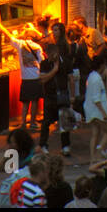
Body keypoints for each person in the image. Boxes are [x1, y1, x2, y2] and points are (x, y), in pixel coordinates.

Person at [38, 22, 73, 157]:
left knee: (64, 120)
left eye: (56, 30)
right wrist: (54, 70)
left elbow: (70, 78)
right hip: (50, 95)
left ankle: (65, 146)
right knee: (47, 121)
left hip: (62, 94)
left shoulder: (65, 61)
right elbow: (42, 79)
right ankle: (43, 145)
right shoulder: (45, 64)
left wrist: (72, 95)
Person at [7, 28, 45, 131]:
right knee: (35, 101)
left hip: (25, 78)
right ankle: (32, 122)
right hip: (36, 76)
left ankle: (23, 123)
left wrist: (1, 26)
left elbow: (10, 36)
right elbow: (42, 61)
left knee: (25, 102)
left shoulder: (19, 43)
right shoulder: (37, 47)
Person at [0, 127, 37, 206]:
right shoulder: (16, 153)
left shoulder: (34, 153)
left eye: (12, 142)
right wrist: (7, 154)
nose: (11, 145)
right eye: (10, 143)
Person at [83, 52, 107, 160]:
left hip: (91, 110)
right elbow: (96, 99)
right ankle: (99, 151)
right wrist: (104, 113)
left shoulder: (92, 76)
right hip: (97, 112)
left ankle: (92, 158)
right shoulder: (96, 79)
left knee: (95, 133)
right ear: (102, 65)